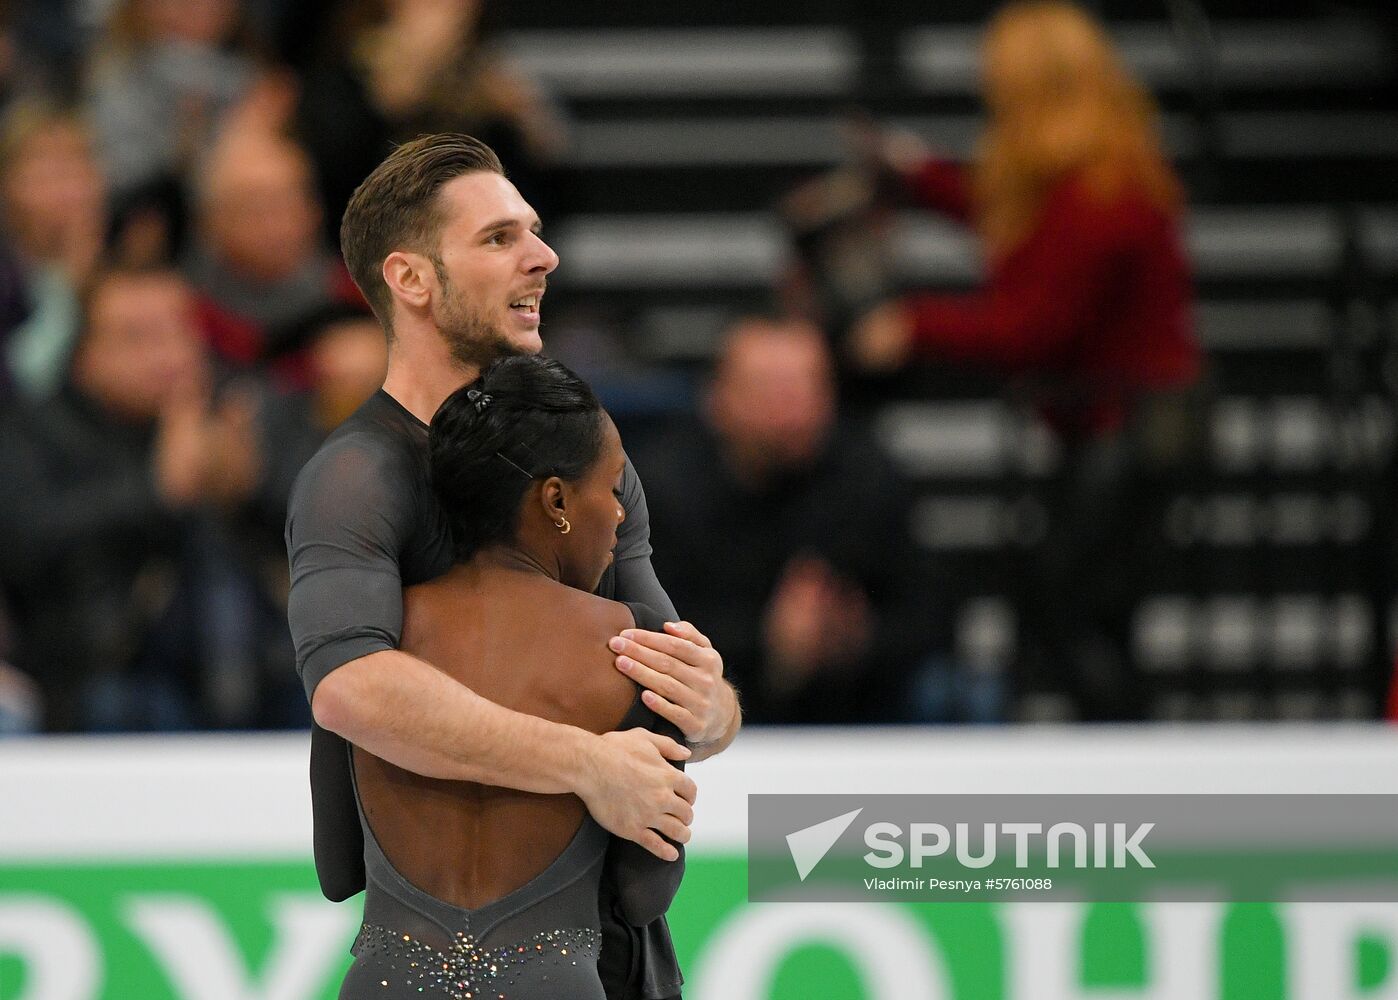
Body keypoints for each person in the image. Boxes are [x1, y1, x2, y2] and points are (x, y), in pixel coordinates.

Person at [285, 133, 740, 1000]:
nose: (543, 256)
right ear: (411, 279)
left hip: (605, 952)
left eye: (532, 231)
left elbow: (678, 691)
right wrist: (584, 762)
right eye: (499, 239)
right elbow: (349, 689)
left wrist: (716, 705)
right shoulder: (356, 476)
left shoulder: (587, 456)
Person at [848, 0, 1202, 720]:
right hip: (1116, 420)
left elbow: (1034, 328)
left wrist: (913, 323)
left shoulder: (1099, 198)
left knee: (1063, 604)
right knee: (1085, 605)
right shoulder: (1092, 176)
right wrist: (922, 177)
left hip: (1130, 427)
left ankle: (1136, 751)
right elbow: (1013, 226)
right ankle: (1125, 753)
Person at [342, 354, 686, 998]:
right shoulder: (632, 646)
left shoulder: (368, 652)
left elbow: (337, 867)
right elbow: (644, 893)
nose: (618, 513)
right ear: (555, 499)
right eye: (611, 488)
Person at [637, 316, 945, 724]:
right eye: (769, 388)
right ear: (717, 398)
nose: (791, 407)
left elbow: (933, 613)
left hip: (863, 711)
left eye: (807, 385)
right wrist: (768, 641)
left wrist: (855, 637)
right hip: (707, 717)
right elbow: (645, 629)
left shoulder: (871, 476)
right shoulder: (662, 488)